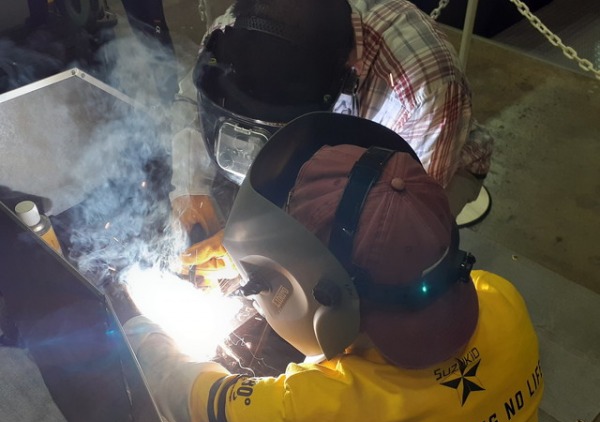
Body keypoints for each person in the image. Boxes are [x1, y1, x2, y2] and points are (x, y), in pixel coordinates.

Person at [124, 112, 541, 422]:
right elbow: (383, 267)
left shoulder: (312, 418)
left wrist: (137, 329)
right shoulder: (501, 299)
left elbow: (182, 389)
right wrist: (251, 267)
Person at [171, 0, 494, 276]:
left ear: (346, 73)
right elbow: (192, 101)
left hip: (418, 168)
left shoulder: (423, 87)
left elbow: (405, 207)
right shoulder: (242, 27)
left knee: (373, 272)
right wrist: (190, 188)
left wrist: (265, 248)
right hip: (310, 146)